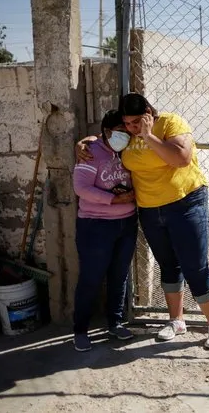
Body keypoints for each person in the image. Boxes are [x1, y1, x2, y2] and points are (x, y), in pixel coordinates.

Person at [76, 93, 209, 350]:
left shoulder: (170, 123)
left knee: (195, 267)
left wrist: (148, 135)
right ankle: (177, 321)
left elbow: (181, 158)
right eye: (127, 124)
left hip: (185, 203)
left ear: (148, 113)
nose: (131, 128)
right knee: (168, 265)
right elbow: (104, 140)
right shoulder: (127, 135)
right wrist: (83, 142)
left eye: (135, 122)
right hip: (150, 210)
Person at [72, 110, 138, 352]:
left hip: (127, 223)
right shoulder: (91, 151)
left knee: (119, 276)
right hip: (96, 225)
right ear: (107, 132)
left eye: (127, 131)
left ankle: (115, 322)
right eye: (120, 132)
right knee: (91, 278)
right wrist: (115, 200)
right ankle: (80, 330)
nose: (125, 136)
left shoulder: (130, 150)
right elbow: (81, 188)